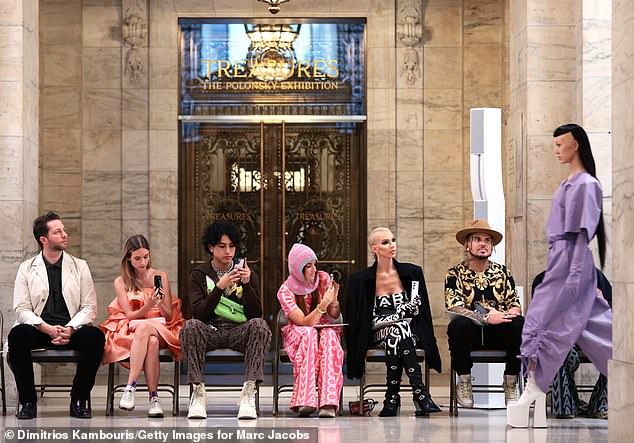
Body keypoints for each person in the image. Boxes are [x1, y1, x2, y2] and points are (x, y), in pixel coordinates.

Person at [507, 123, 613, 428]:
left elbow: (581, 234)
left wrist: (575, 275)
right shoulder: (569, 183)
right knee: (594, 329)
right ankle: (534, 391)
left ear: (576, 144)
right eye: (553, 145)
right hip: (560, 261)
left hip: (571, 264)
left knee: (543, 325)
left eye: (560, 144)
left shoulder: (585, 184)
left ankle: (533, 391)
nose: (556, 150)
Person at [8, 212, 105, 419]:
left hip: (71, 330)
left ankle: (78, 398)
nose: (65, 235)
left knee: (95, 337)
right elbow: (21, 308)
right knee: (17, 335)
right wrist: (45, 327)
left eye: (64, 230)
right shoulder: (26, 268)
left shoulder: (80, 266)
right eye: (58, 231)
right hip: (40, 329)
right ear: (44, 239)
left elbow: (89, 307)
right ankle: (28, 401)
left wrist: (70, 329)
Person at [179, 220, 271, 419]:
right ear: (211, 247)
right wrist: (219, 287)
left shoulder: (246, 273)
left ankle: (248, 392)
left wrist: (246, 286)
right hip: (210, 330)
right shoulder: (199, 275)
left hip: (238, 331)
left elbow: (256, 314)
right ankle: (198, 392)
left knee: (260, 326)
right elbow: (198, 314)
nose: (228, 251)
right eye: (222, 246)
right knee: (190, 326)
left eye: (232, 246)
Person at [346, 227, 442, 417]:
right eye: (385, 242)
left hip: (407, 333)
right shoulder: (359, 279)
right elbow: (355, 318)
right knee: (399, 329)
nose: (392, 245)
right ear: (374, 248)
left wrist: (413, 309)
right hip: (375, 332)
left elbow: (423, 313)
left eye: (393, 240)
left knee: (398, 333)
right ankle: (420, 394)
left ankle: (392, 398)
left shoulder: (412, 272)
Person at [99, 234, 185, 417]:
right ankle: (154, 399)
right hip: (134, 329)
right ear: (128, 258)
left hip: (162, 328)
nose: (143, 262)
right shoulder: (121, 282)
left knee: (147, 330)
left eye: (146, 257)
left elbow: (170, 316)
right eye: (137, 258)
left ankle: (130, 387)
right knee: (150, 341)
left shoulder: (160, 276)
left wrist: (160, 303)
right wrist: (147, 306)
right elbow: (129, 316)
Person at [445, 219, 524, 408]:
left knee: (519, 322)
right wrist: (488, 318)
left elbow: (515, 305)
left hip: (497, 335)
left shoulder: (503, 272)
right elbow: (454, 307)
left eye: (487, 240)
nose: (483, 244)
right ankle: (464, 380)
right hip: (469, 335)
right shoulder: (455, 273)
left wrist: (503, 315)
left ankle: (511, 381)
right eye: (477, 239)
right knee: (458, 325)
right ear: (467, 245)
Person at [532, 268, 611, 419]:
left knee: (617, 348)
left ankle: (600, 404)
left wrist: (602, 301)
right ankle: (565, 405)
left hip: (591, 332)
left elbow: (612, 308)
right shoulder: (543, 279)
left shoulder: (595, 275)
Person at [276, 243, 344, 418]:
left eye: (315, 264)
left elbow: (334, 316)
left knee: (329, 334)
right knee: (310, 333)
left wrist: (334, 301)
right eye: (308, 266)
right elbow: (304, 322)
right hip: (299, 332)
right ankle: (305, 400)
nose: (314, 269)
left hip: (322, 328)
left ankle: (328, 402)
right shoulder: (285, 291)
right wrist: (323, 304)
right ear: (297, 269)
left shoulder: (323, 279)